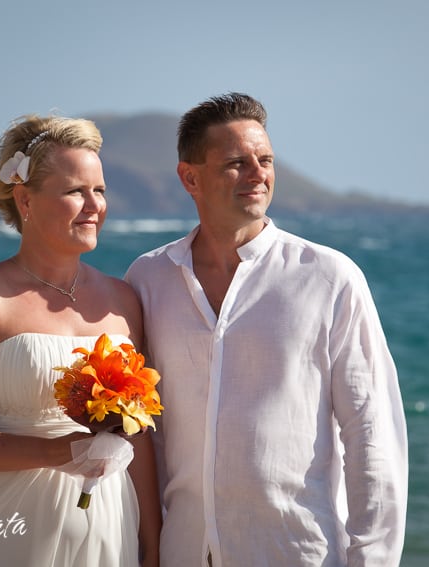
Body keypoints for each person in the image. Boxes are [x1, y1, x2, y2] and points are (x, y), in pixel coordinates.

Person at [125, 93, 408, 566]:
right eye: (237, 163)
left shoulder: (330, 277)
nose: (258, 174)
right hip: (183, 551)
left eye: (266, 160)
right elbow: (143, 430)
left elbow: (371, 432)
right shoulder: (148, 278)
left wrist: (372, 560)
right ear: (190, 178)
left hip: (296, 551)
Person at [0, 115, 161, 566]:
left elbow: (138, 438)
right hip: (2, 532)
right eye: (75, 191)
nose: (94, 205)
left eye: (100, 190)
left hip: (110, 534)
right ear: (25, 199)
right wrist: (60, 452)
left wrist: (152, 543)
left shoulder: (123, 300)